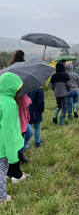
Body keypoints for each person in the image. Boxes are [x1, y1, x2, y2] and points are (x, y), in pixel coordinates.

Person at [0, 72, 29, 203]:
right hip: (2, 146)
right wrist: (13, 157)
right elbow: (9, 131)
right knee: (1, 172)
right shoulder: (9, 104)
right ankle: (2, 198)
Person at [7, 50, 32, 163]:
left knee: (19, 133)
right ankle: (18, 156)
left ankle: (18, 155)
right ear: (22, 57)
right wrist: (29, 99)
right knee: (23, 133)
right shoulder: (23, 70)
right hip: (20, 107)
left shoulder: (9, 70)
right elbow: (24, 101)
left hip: (13, 106)